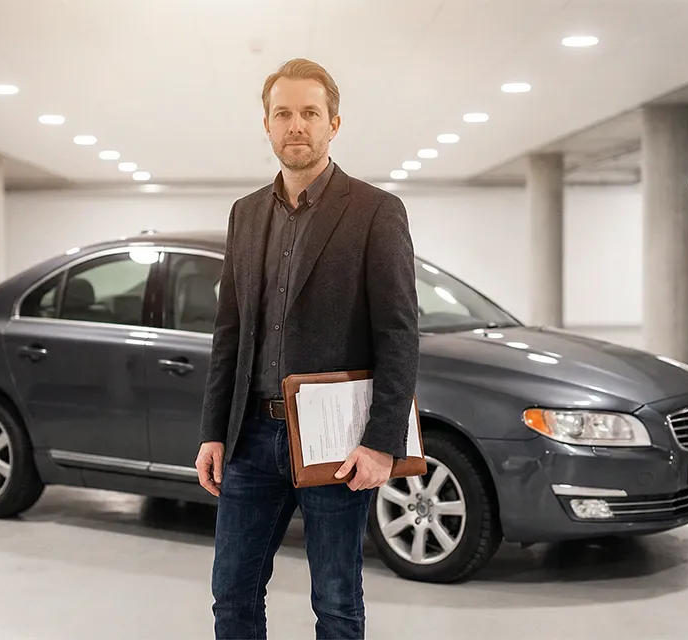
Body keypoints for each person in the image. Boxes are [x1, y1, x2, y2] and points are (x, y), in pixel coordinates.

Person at [195, 57, 420, 640]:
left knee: (337, 603)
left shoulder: (375, 211)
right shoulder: (245, 215)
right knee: (232, 595)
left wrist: (381, 443)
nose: (296, 125)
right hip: (250, 438)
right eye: (283, 113)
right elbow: (229, 331)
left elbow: (399, 334)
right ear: (267, 124)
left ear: (333, 124)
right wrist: (214, 431)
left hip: (335, 441)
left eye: (310, 113)